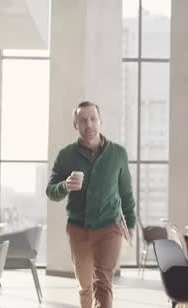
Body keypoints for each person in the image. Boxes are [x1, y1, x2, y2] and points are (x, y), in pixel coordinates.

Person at [46, 101, 136, 308]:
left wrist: (130, 224)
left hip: (109, 228)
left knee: (103, 284)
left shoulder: (118, 154)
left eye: (93, 118)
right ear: (75, 124)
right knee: (85, 287)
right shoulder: (66, 155)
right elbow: (51, 191)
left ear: (100, 121)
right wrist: (65, 186)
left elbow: (126, 193)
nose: (89, 124)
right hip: (78, 229)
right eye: (83, 120)